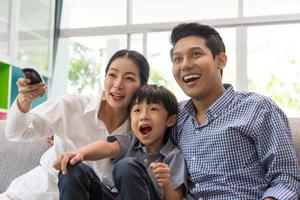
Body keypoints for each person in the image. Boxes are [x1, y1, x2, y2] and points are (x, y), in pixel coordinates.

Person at [169, 22, 300, 199]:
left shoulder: (258, 108)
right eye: (177, 59)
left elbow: (287, 179)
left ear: (220, 60)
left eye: (196, 54)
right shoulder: (175, 117)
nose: (185, 65)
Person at [0, 49, 150, 200]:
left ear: (142, 86)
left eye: (129, 78)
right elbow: (17, 133)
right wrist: (25, 100)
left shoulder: (138, 134)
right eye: (112, 75)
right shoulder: (72, 106)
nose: (118, 85)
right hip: (31, 193)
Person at [53, 84, 187, 200]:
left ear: (170, 120)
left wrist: (167, 184)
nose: (143, 116)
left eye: (153, 109)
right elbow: (107, 148)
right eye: (137, 110)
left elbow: (176, 197)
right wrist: (78, 154)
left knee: (126, 166)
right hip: (112, 195)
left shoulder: (173, 155)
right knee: (73, 169)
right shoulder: (130, 142)